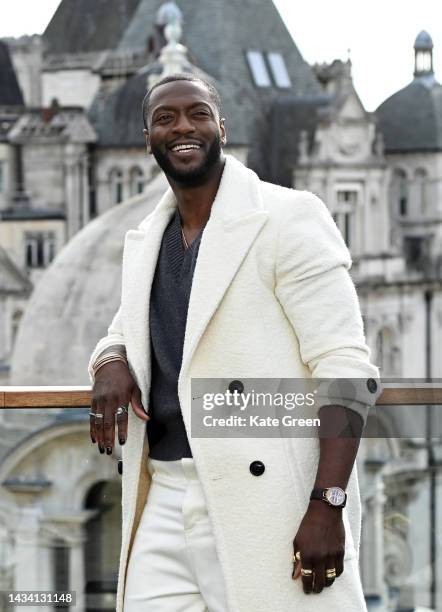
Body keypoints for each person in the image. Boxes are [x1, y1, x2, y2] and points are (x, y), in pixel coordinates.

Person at [88, 73, 381, 612]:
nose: (183, 127)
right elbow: (126, 326)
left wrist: (327, 503)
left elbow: (344, 365)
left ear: (222, 126)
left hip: (268, 499)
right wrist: (110, 359)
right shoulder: (149, 238)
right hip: (164, 492)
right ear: (146, 138)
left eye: (198, 113)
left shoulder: (289, 216)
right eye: (166, 118)